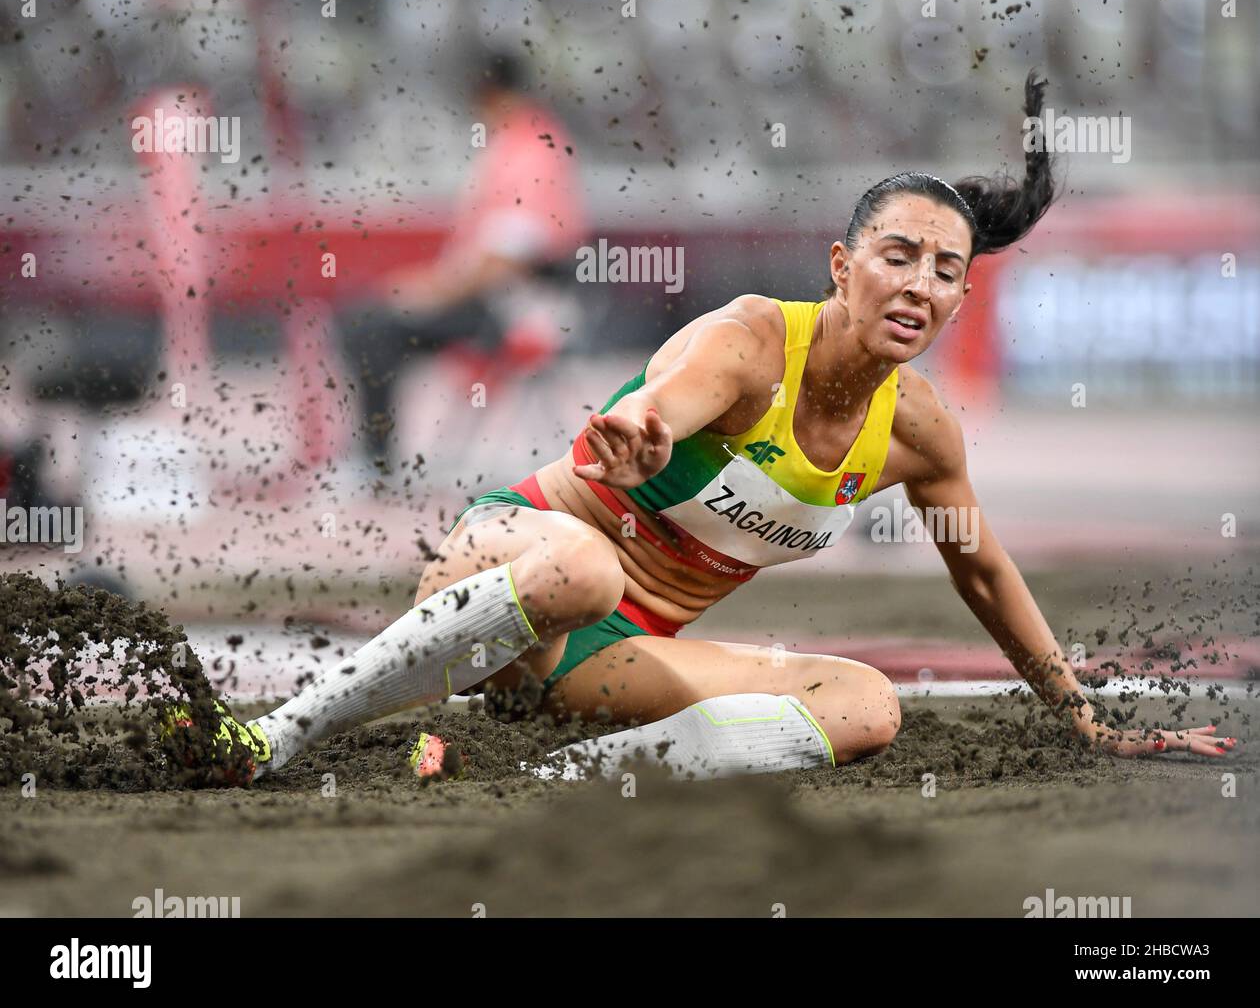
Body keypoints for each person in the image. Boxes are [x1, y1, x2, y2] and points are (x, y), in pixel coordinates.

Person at [183, 73, 1237, 783]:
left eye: (946, 270)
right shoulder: (744, 344)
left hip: (612, 661)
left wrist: (1084, 715)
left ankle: (547, 772)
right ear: (841, 264)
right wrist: (638, 429)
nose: (919, 283)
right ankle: (275, 733)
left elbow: (985, 576)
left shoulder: (919, 434)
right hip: (510, 564)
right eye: (897, 254)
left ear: (963, 299)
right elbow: (655, 404)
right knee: (591, 571)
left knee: (867, 704)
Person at [337, 49, 587, 470]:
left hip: (509, 309)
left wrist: (434, 293)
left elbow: (506, 258)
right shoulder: (524, 143)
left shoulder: (529, 153)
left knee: (371, 328)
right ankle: (374, 456)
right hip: (498, 298)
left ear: (489, 95)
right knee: (370, 318)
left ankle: (375, 461)